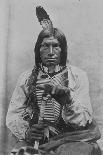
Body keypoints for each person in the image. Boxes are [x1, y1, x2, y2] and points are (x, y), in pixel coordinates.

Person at [6, 6, 102, 155]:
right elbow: (14, 114)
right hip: (37, 139)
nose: (51, 52)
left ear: (62, 49)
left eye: (55, 46)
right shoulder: (26, 78)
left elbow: (84, 119)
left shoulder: (77, 76)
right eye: (45, 46)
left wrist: (68, 101)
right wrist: (27, 132)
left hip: (73, 138)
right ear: (38, 49)